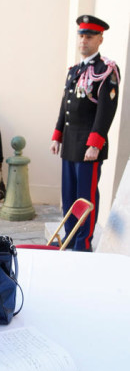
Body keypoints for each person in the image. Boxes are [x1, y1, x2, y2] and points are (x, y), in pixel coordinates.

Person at [50, 15, 120, 252]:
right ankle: (70, 240)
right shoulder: (74, 71)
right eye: (81, 36)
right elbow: (65, 105)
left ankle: (83, 245)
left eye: (89, 36)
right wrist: (57, 135)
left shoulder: (107, 70)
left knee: (85, 199)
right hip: (70, 145)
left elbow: (106, 111)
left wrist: (95, 144)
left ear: (100, 39)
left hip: (88, 149)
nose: (83, 41)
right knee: (69, 199)